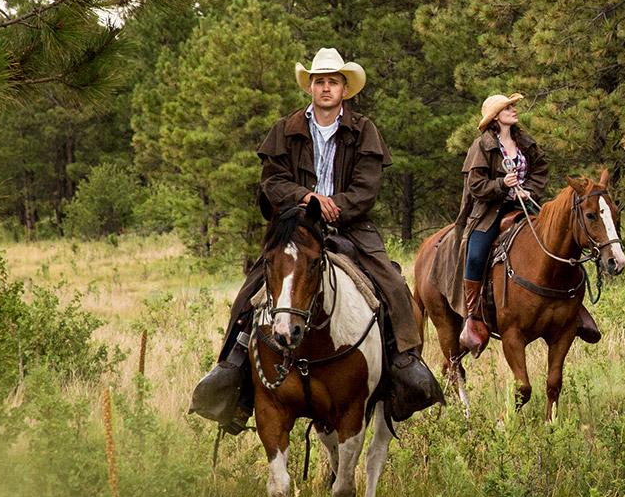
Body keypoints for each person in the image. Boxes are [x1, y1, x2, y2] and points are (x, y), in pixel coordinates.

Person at [188, 47, 442, 429]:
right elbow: (272, 181)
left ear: (345, 88)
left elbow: (367, 188)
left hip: (350, 225)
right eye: (319, 81)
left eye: (333, 82)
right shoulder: (285, 129)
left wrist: (332, 206)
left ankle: (404, 364)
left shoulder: (364, 130)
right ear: (310, 87)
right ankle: (232, 373)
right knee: (251, 291)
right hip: (294, 226)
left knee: (391, 284)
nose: (326, 88)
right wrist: (305, 198)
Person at [448, 93, 602, 352]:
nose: (514, 110)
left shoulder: (524, 142)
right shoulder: (482, 145)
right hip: (489, 210)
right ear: (496, 116)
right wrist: (501, 184)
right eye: (508, 107)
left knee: (558, 241)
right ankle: (473, 317)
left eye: (513, 106)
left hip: (525, 205)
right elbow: (476, 185)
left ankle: (575, 308)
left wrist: (528, 189)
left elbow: (541, 168)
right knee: (475, 256)